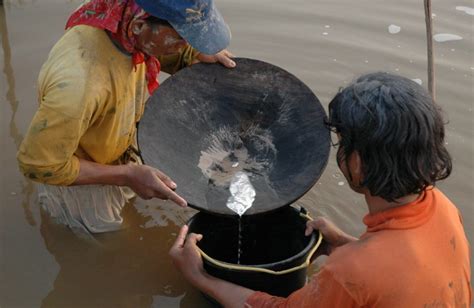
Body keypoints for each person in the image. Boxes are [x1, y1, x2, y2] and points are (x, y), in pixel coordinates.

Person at [169, 72, 472, 307]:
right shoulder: (441, 206)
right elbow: (402, 272)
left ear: (359, 162)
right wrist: (344, 243)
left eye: (342, 142)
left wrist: (200, 276)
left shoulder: (352, 272)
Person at [17, 0, 235, 235]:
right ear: (138, 26)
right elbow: (40, 165)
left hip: (117, 147)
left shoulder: (120, 17)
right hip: (81, 179)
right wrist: (126, 175)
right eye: (182, 38)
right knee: (106, 244)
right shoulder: (78, 86)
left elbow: (155, 46)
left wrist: (193, 56)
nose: (186, 45)